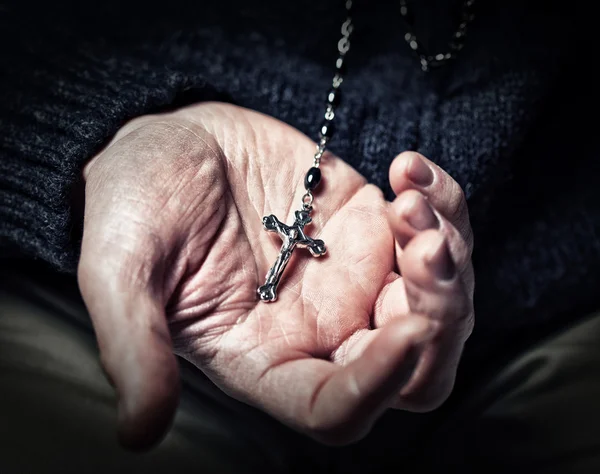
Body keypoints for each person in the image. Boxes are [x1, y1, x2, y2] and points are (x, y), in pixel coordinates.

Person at [1, 0, 598, 472]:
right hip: (68, 289)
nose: (294, 240)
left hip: (552, 309)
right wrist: (100, 129)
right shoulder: (287, 230)